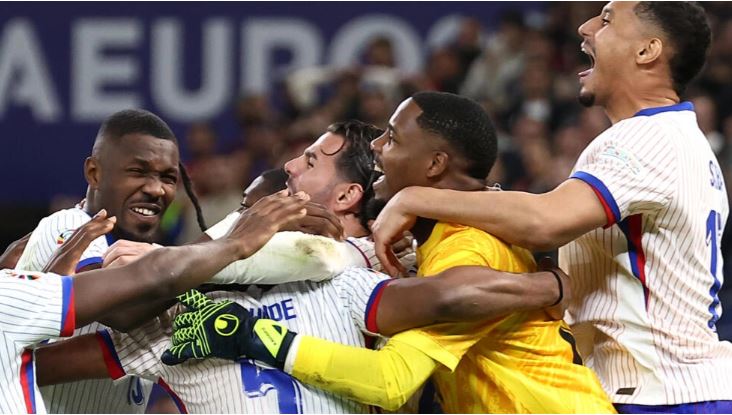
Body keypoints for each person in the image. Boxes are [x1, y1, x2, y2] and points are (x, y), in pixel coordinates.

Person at [34, 120, 572, 413]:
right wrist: (550, 285)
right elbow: (43, 359)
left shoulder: (358, 271)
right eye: (246, 209)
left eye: (310, 162)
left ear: (343, 200)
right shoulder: (181, 306)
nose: (291, 166)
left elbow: (401, 365)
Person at [367, 3, 732, 413]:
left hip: (663, 395)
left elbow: (544, 221)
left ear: (647, 51)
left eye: (607, 20)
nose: (585, 27)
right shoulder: (675, 137)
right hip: (677, 387)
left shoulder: (647, 139)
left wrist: (415, 198)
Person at [161, 92, 615, 413]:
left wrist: (256, 336)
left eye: (392, 139)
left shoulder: (468, 244)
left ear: (434, 164)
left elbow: (390, 380)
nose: (377, 146)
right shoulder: (437, 239)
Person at [0, 190, 309, 414]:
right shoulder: (178, 318)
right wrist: (232, 243)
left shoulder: (339, 282)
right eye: (244, 210)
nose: (244, 219)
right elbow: (121, 312)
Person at [13, 108, 209, 414]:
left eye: (168, 177)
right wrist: (227, 247)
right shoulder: (68, 226)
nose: (156, 189)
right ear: (94, 173)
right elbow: (121, 310)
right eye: (138, 172)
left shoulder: (151, 257)